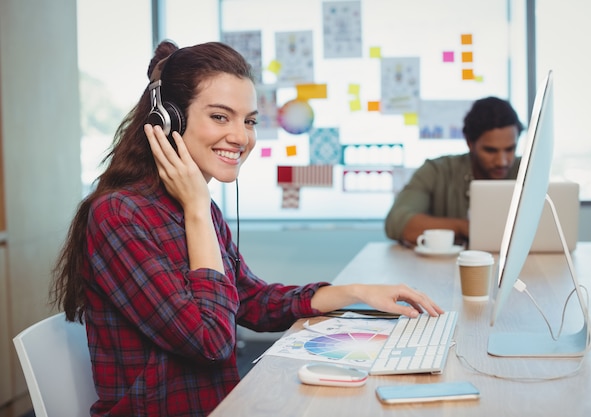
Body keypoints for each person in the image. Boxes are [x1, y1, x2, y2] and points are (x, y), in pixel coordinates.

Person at [50, 40, 443, 417]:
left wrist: (356, 293)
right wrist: (198, 211)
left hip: (224, 406)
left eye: (249, 121)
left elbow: (250, 300)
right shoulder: (120, 216)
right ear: (168, 119)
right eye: (220, 116)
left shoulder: (195, 209)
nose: (241, 137)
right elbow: (211, 342)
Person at [385, 97, 524, 247]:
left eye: (510, 149)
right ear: (469, 143)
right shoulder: (437, 171)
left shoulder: (527, 171)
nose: (502, 161)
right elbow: (396, 222)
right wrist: (464, 227)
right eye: (490, 150)